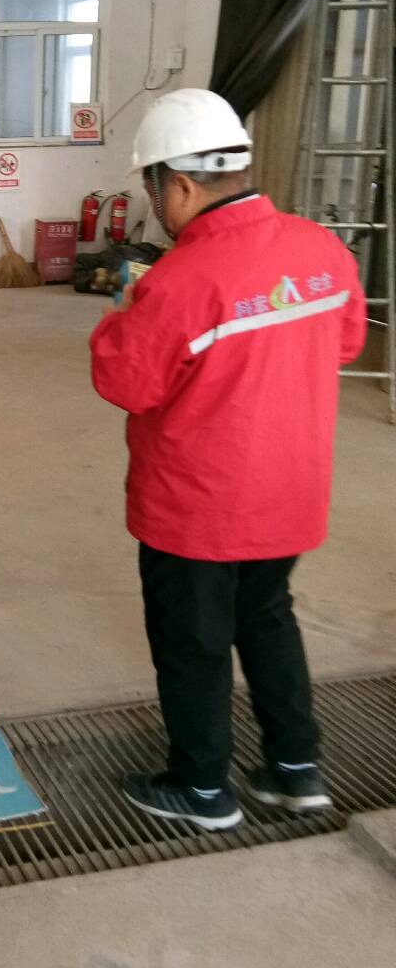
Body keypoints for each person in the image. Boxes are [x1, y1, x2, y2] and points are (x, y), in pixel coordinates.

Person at [89, 88, 366, 831]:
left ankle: (202, 786)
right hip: (290, 493)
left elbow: (128, 383)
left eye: (153, 190)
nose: (155, 207)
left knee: (194, 642)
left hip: (199, 507)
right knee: (268, 617)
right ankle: (295, 767)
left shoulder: (179, 281)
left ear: (178, 185)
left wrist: (124, 317)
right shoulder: (321, 249)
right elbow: (345, 343)